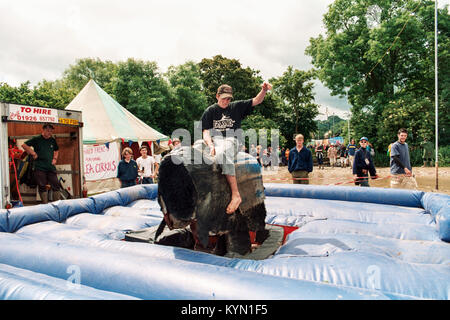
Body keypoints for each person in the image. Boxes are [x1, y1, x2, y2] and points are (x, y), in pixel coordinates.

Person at [200, 82, 271, 214]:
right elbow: (205, 132)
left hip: (232, 139)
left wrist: (264, 90)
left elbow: (256, 101)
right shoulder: (210, 111)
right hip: (215, 140)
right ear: (217, 96)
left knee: (221, 153)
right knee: (194, 149)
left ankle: (235, 195)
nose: (226, 101)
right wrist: (210, 145)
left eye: (229, 98)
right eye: (224, 98)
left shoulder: (236, 107)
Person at [21, 123, 60, 204]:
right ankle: (45, 205)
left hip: (50, 166)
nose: (50, 133)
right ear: (44, 130)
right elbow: (24, 145)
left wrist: (55, 159)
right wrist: (33, 153)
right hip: (39, 167)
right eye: (48, 131)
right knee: (42, 186)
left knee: (56, 184)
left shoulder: (52, 140)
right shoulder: (37, 139)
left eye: (51, 131)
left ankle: (57, 205)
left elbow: (56, 150)